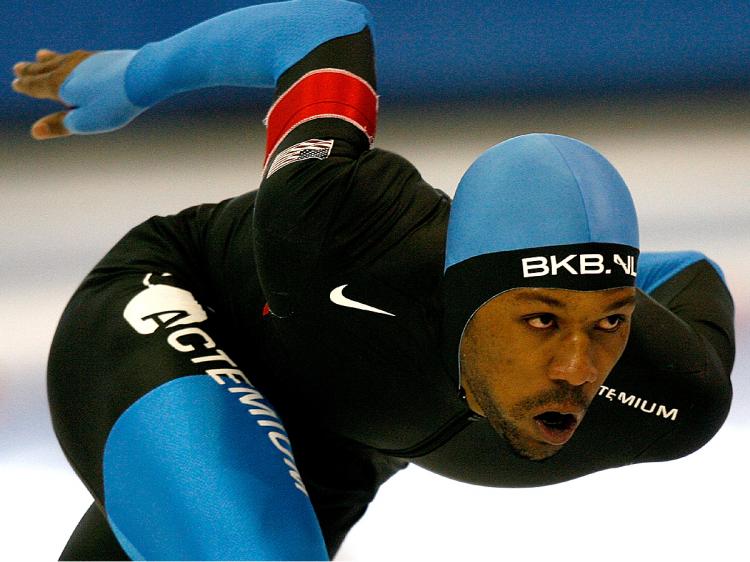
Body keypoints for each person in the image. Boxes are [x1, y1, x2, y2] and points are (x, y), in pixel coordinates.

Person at [12, 0, 735, 560]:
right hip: (183, 313)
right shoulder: (337, 224)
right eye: (540, 320)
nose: (578, 368)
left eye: (609, 320)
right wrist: (136, 74)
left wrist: (589, 302)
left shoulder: (670, 395)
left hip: (333, 452)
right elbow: (324, 29)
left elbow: (694, 274)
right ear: (456, 289)